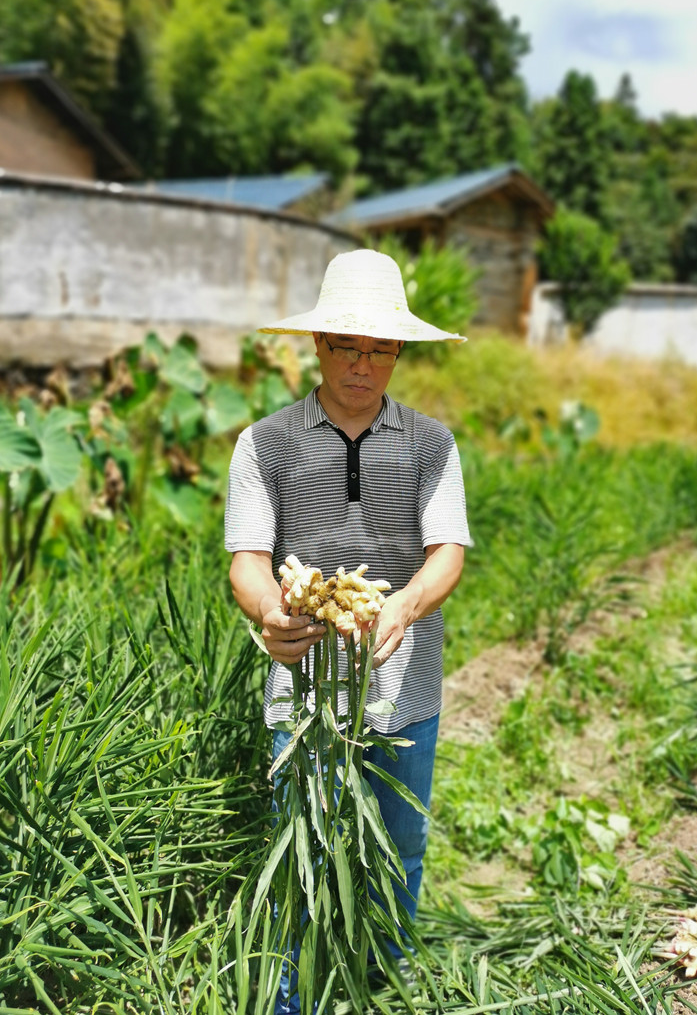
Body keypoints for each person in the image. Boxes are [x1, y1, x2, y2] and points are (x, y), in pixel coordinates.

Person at [224, 248, 471, 1011]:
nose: (363, 365)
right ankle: (288, 998)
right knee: (298, 848)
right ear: (318, 346)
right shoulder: (265, 443)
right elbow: (248, 560)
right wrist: (269, 610)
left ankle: (381, 983)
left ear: (399, 352)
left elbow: (447, 554)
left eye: (381, 349)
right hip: (301, 695)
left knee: (399, 848)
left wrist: (404, 605)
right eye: (347, 346)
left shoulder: (432, 444)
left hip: (406, 689)